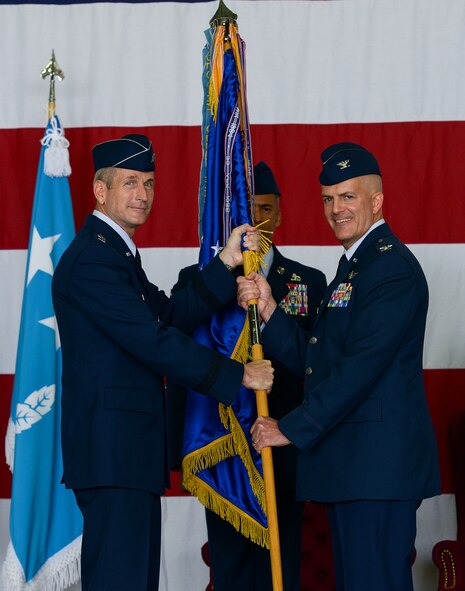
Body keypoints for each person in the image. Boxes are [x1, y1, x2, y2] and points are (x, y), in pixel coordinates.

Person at [51, 134, 274, 591]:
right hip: (114, 455)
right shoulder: (93, 260)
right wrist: (237, 376)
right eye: (130, 183)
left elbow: (168, 315)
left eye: (149, 183)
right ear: (100, 190)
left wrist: (225, 263)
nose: (142, 195)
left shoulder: (116, 253)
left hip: (127, 455)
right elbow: (152, 340)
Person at [238, 143, 441, 591]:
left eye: (348, 196)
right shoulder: (355, 268)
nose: (336, 209)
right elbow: (320, 362)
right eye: (329, 198)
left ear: (377, 200)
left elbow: (359, 368)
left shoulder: (390, 269)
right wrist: (271, 311)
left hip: (376, 470)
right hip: (354, 468)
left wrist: (290, 427)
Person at [166, 161, 326, 591]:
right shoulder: (201, 280)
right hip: (223, 449)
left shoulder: (308, 282)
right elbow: (177, 348)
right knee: (231, 570)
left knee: (283, 568)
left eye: (266, 210)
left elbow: (318, 366)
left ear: (280, 213)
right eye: (248, 212)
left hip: (285, 447)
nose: (257, 222)